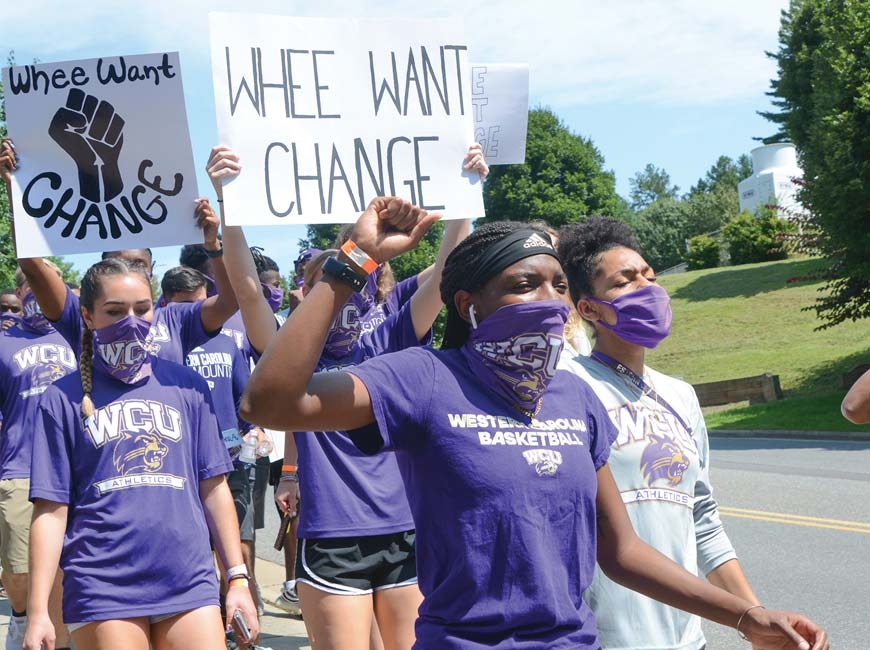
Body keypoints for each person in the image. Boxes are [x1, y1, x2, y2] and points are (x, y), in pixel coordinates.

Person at [240, 206, 828, 650]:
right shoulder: (423, 378)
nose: (549, 300)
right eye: (524, 285)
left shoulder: (575, 395)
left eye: (559, 285)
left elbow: (621, 552)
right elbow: (271, 402)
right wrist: (350, 263)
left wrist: (746, 617)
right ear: (469, 304)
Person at [208, 144, 484, 650]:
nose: (352, 291)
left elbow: (448, 270)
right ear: (313, 289)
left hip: (406, 528)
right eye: (337, 277)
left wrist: (465, 190)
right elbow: (247, 289)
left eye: (365, 276)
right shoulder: (292, 357)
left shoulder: (393, 335)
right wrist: (230, 200)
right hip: (334, 534)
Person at [22, 257, 258, 650]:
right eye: (115, 311)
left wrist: (236, 578)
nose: (131, 321)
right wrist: (38, 610)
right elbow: (51, 510)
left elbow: (214, 488)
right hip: (103, 585)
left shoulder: (187, 386)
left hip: (189, 580)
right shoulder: (60, 399)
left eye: (142, 309)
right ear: (88, 316)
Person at [557, 216, 760, 650]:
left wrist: (755, 621)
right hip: (602, 638)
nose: (647, 288)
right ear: (588, 308)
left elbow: (703, 520)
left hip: (687, 639)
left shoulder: (680, 395)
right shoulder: (566, 385)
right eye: (625, 281)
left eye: (650, 276)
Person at [161, 265, 266, 638]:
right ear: (168, 305)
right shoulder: (165, 345)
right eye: (186, 306)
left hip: (232, 459)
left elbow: (246, 397)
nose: (198, 312)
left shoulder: (229, 340)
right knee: (195, 545)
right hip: (179, 462)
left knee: (238, 541)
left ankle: (241, 620)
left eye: (200, 303)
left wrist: (254, 430)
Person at [0, 263, 76, 650]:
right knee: (17, 569)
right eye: (30, 283)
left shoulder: (78, 337)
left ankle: (57, 638)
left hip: (73, 466)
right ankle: (20, 616)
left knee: (62, 568)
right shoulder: (4, 342)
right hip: (19, 465)